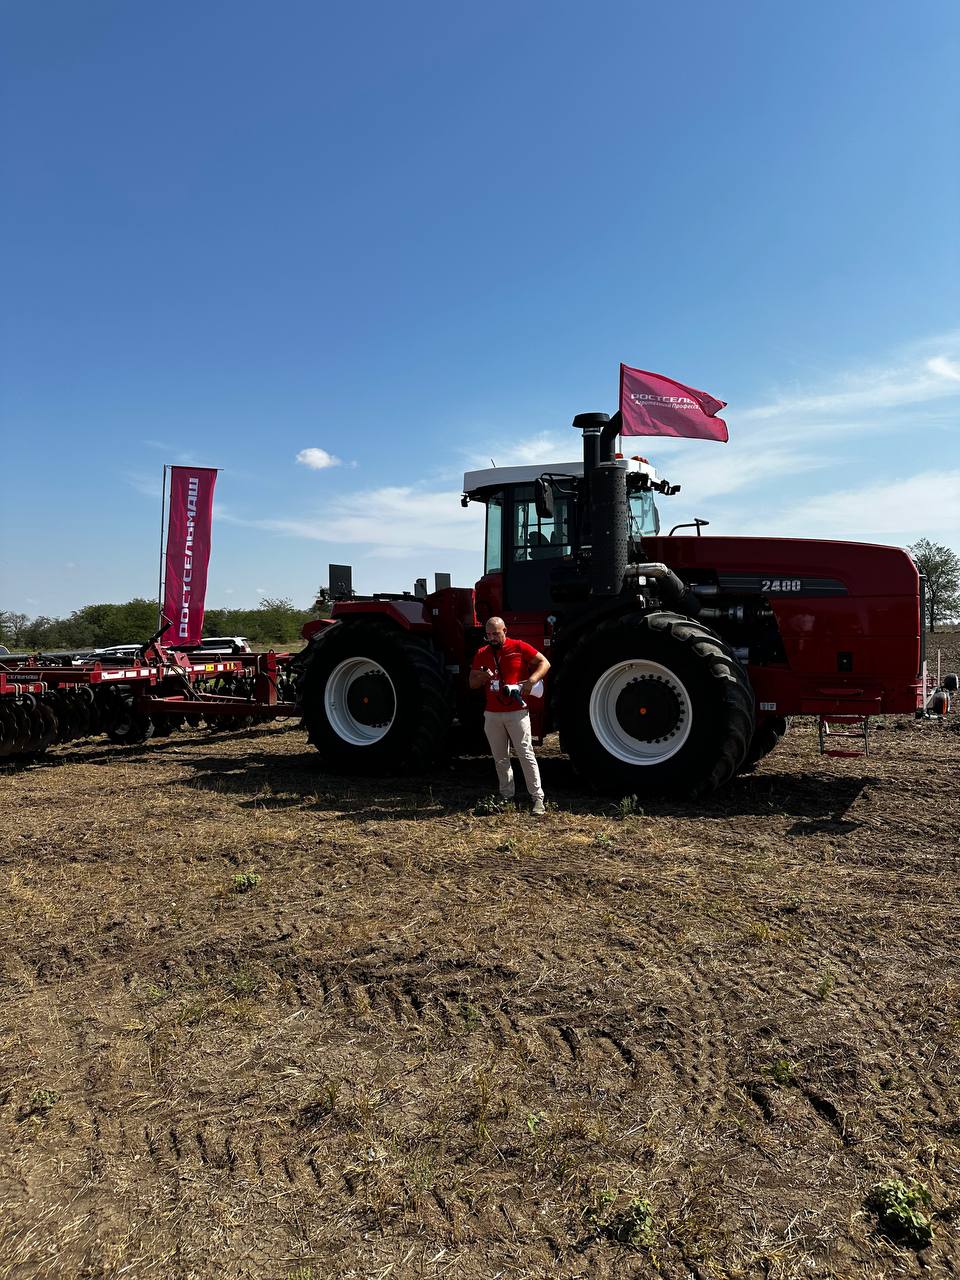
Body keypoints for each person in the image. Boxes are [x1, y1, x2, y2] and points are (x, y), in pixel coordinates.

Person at [469, 616, 551, 815]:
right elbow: (471, 683)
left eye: (495, 633)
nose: (492, 638)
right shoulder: (482, 653)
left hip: (517, 713)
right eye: (488, 634)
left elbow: (544, 663)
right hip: (492, 714)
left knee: (526, 753)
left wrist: (531, 680)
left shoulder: (519, 647)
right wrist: (483, 676)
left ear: (505, 630)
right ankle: (506, 796)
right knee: (500, 758)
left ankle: (537, 798)